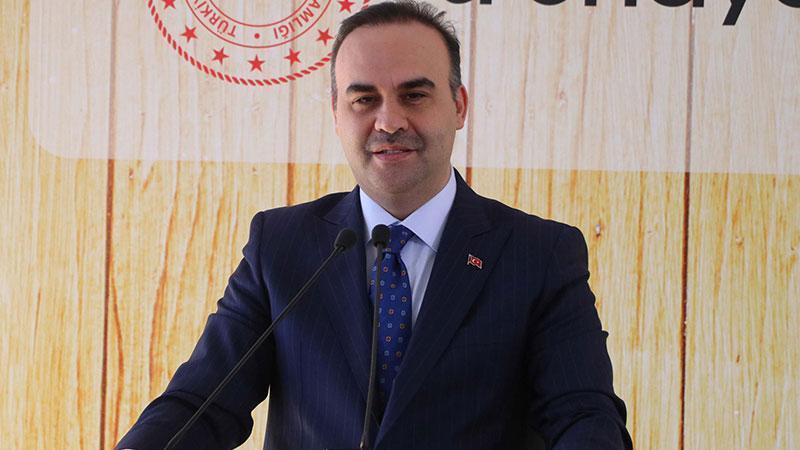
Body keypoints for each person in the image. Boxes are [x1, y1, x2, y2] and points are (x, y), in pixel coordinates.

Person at [117, 1, 632, 449]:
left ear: (458, 106)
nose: (388, 122)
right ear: (336, 113)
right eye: (364, 99)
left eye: (414, 95)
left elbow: (583, 415)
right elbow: (202, 404)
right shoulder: (281, 245)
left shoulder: (538, 254)